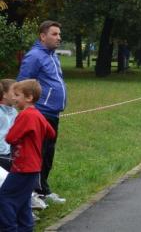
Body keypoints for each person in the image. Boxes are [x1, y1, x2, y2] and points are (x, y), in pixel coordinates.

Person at [17, 20, 67, 204]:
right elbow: (22, 84)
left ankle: (43, 189)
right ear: (42, 36)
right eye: (54, 34)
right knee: (38, 154)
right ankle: (33, 194)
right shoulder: (35, 56)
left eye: (59, 34)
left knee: (48, 153)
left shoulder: (53, 55)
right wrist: (29, 111)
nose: (58, 38)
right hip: (40, 114)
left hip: (53, 114)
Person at [0, 79, 56, 231]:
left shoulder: (25, 116)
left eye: (17, 95)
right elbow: (50, 132)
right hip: (34, 167)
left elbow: (10, 137)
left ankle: (9, 228)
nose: (14, 98)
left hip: (23, 166)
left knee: (4, 197)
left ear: (29, 97)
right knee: (23, 199)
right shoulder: (37, 114)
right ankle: (26, 227)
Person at [0, 79, 18, 171]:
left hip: (11, 154)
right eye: (14, 93)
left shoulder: (14, 112)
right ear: (4, 94)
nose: (17, 96)